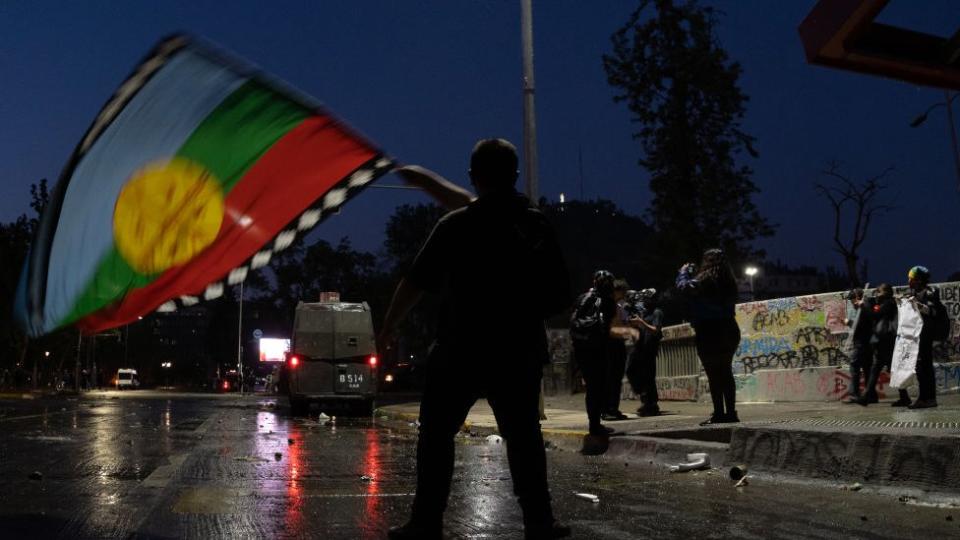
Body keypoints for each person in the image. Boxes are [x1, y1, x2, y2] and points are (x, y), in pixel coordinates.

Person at [378, 139, 572, 540]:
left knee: (435, 436)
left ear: (474, 176)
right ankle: (539, 522)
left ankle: (426, 521)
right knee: (524, 439)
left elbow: (415, 282)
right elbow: (559, 293)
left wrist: (389, 325)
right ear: (515, 175)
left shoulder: (456, 226)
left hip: (459, 349)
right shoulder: (534, 226)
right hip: (517, 350)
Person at [676, 249, 741, 425]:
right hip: (729, 328)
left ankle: (719, 413)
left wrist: (683, 273)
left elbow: (684, 289)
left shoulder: (705, 278)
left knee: (714, 374)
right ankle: (731, 413)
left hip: (709, 330)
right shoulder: (729, 281)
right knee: (726, 371)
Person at [570, 270, 621, 436]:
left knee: (591, 387)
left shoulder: (582, 298)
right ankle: (595, 424)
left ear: (594, 282)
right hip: (598, 348)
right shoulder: (608, 301)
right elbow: (611, 327)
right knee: (599, 387)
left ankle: (594, 424)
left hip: (581, 348)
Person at [857, 283, 910, 406]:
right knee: (886, 369)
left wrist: (865, 305)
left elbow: (875, 316)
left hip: (887, 342)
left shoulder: (889, 303)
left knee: (879, 368)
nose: (877, 294)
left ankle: (867, 395)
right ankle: (904, 397)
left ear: (886, 292)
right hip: (885, 342)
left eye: (879, 292)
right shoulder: (886, 303)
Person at [902, 266, 942, 409]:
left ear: (919, 280)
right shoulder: (914, 292)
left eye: (911, 278)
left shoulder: (931, 292)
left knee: (923, 366)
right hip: (917, 334)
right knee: (922, 366)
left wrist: (917, 305)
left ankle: (926, 398)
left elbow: (932, 311)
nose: (909, 281)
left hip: (926, 334)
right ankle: (928, 398)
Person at [627, 288, 664, 416]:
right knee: (631, 370)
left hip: (649, 349)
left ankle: (650, 404)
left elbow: (656, 330)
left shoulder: (656, 312)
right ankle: (644, 397)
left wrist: (641, 322)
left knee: (648, 377)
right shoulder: (643, 312)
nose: (644, 301)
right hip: (640, 347)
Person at [603, 279, 634, 421]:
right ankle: (611, 410)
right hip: (613, 345)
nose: (623, 296)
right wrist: (630, 332)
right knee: (614, 379)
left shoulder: (602, 304)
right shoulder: (612, 306)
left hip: (606, 346)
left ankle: (609, 409)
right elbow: (613, 330)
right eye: (622, 293)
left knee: (609, 379)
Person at [843, 288, 875, 404]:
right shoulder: (865, 307)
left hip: (862, 343)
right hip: (866, 343)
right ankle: (871, 395)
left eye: (852, 301)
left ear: (857, 298)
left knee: (854, 365)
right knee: (867, 368)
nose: (853, 305)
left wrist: (849, 323)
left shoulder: (865, 307)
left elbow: (862, 326)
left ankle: (854, 394)